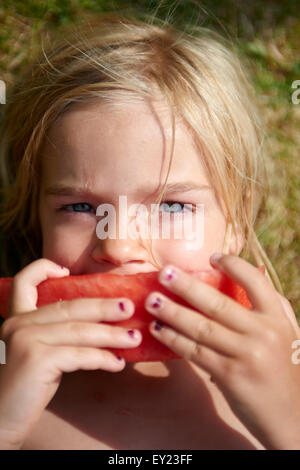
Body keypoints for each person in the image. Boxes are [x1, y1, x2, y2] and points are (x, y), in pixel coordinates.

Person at [0, 11, 299, 450]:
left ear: (236, 221)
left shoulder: (283, 364)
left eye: (173, 205)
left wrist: (289, 421)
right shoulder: (11, 374)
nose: (118, 246)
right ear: (35, 215)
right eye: (81, 206)